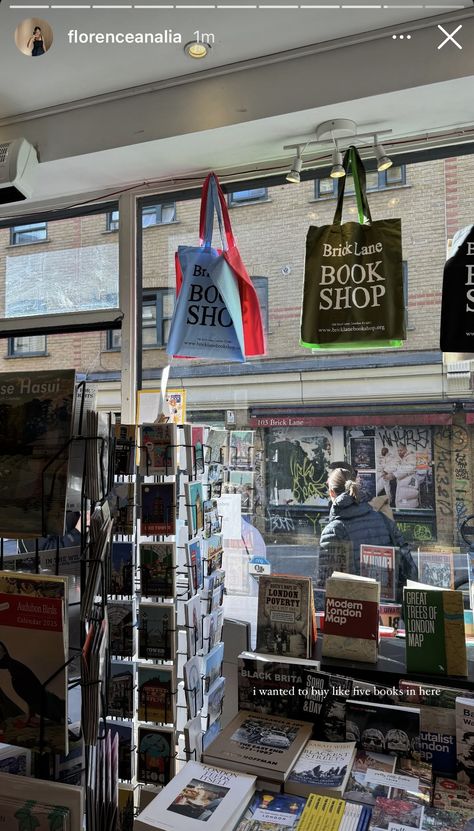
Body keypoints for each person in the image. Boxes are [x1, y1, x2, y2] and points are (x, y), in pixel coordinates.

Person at [320, 467, 417, 601]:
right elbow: (408, 566)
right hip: (388, 609)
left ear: (331, 492)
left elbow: (326, 585)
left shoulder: (333, 530)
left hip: (354, 611)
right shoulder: (383, 519)